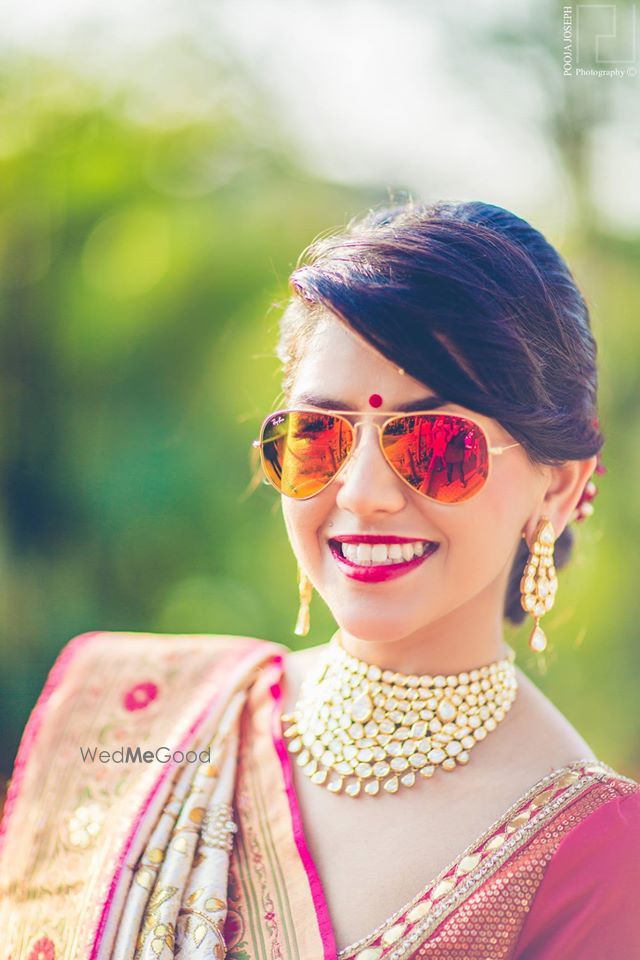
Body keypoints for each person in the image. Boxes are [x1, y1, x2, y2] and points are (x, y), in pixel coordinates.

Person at [0, 200, 638, 960]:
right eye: (318, 434)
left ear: (558, 488)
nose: (362, 491)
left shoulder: (594, 856)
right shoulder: (139, 717)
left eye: (437, 442)